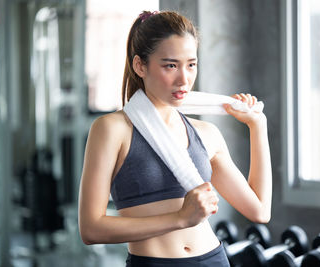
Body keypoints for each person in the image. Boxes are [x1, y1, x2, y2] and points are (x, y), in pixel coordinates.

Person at [78, 10, 272, 267]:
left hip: (214, 259)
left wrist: (258, 126)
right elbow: (91, 229)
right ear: (140, 65)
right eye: (170, 65)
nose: (184, 79)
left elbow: (259, 210)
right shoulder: (111, 129)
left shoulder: (206, 133)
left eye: (191, 64)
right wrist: (180, 218)